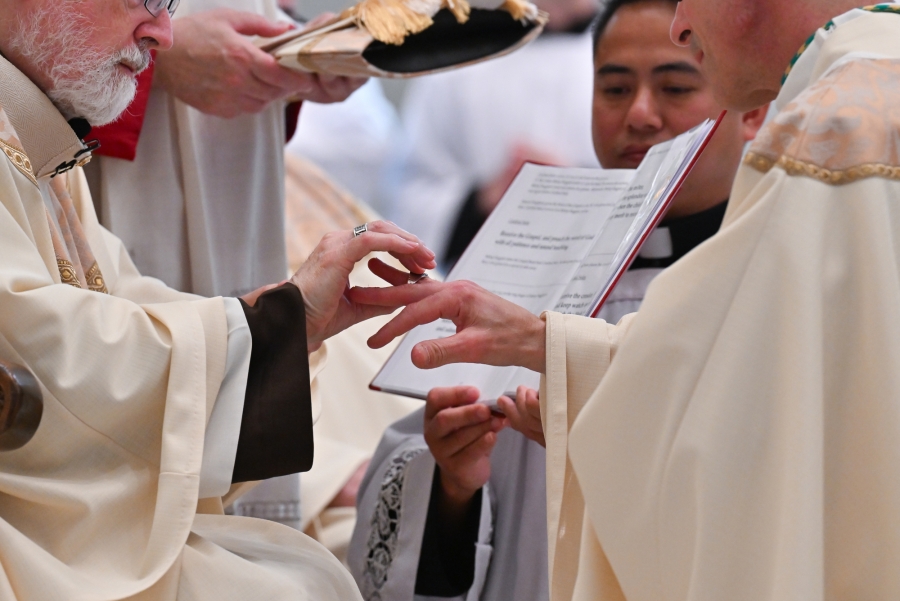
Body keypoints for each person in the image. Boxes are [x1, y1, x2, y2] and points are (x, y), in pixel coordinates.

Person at [350, 1, 900, 599]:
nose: (640, 115)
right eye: (613, 88)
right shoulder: (522, 255)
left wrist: (592, 418)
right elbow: (404, 470)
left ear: (753, 111)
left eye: (675, 86)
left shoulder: (775, 255)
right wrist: (453, 485)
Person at [0, 0, 438, 597]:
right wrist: (273, 327)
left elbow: (119, 295)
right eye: (146, 1)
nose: (165, 32)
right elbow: (51, 349)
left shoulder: (31, 129)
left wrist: (288, 318)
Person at [385, 0, 601, 270]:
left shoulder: (630, 52)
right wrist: (484, 199)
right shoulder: (458, 56)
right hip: (476, 280)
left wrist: (579, 189)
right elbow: (413, 190)